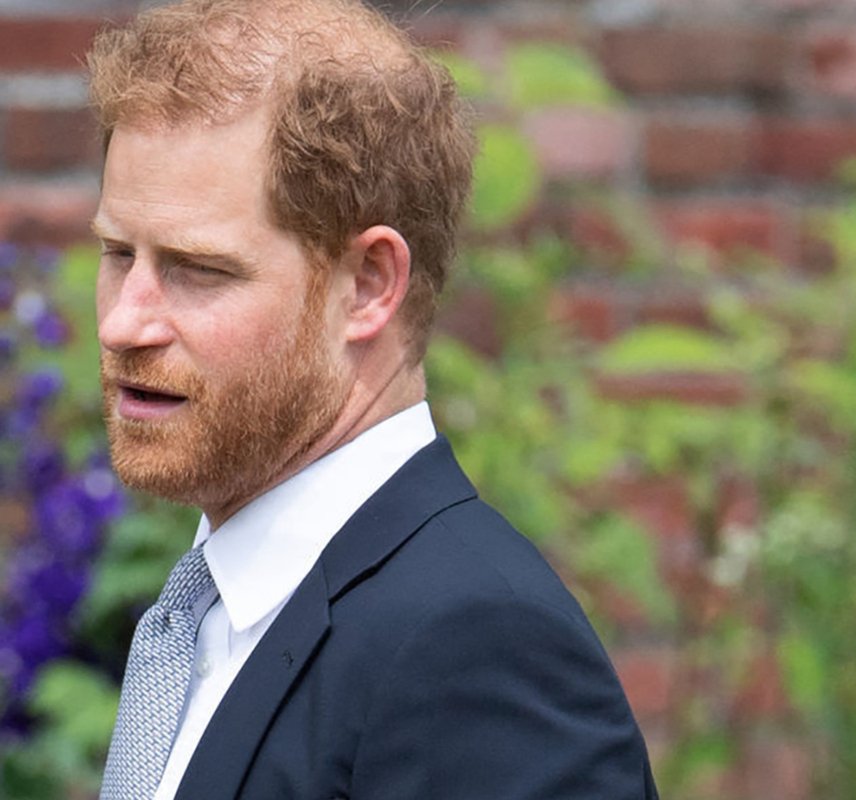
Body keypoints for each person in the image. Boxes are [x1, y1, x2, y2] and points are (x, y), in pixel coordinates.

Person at [86, 1, 657, 797]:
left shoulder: (474, 646)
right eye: (118, 253)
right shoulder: (209, 614)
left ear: (368, 286)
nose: (123, 321)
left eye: (198, 269)